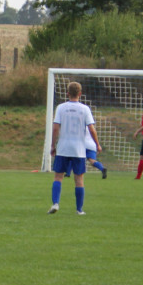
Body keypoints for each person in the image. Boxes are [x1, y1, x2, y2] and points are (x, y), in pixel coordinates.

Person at [48, 82, 100, 215]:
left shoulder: (61, 107)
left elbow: (55, 128)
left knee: (58, 177)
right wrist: (97, 144)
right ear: (80, 94)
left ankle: (55, 203)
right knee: (79, 179)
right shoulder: (85, 109)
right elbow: (91, 129)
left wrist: (53, 145)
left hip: (64, 148)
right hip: (79, 150)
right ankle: (79, 210)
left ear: (67, 93)